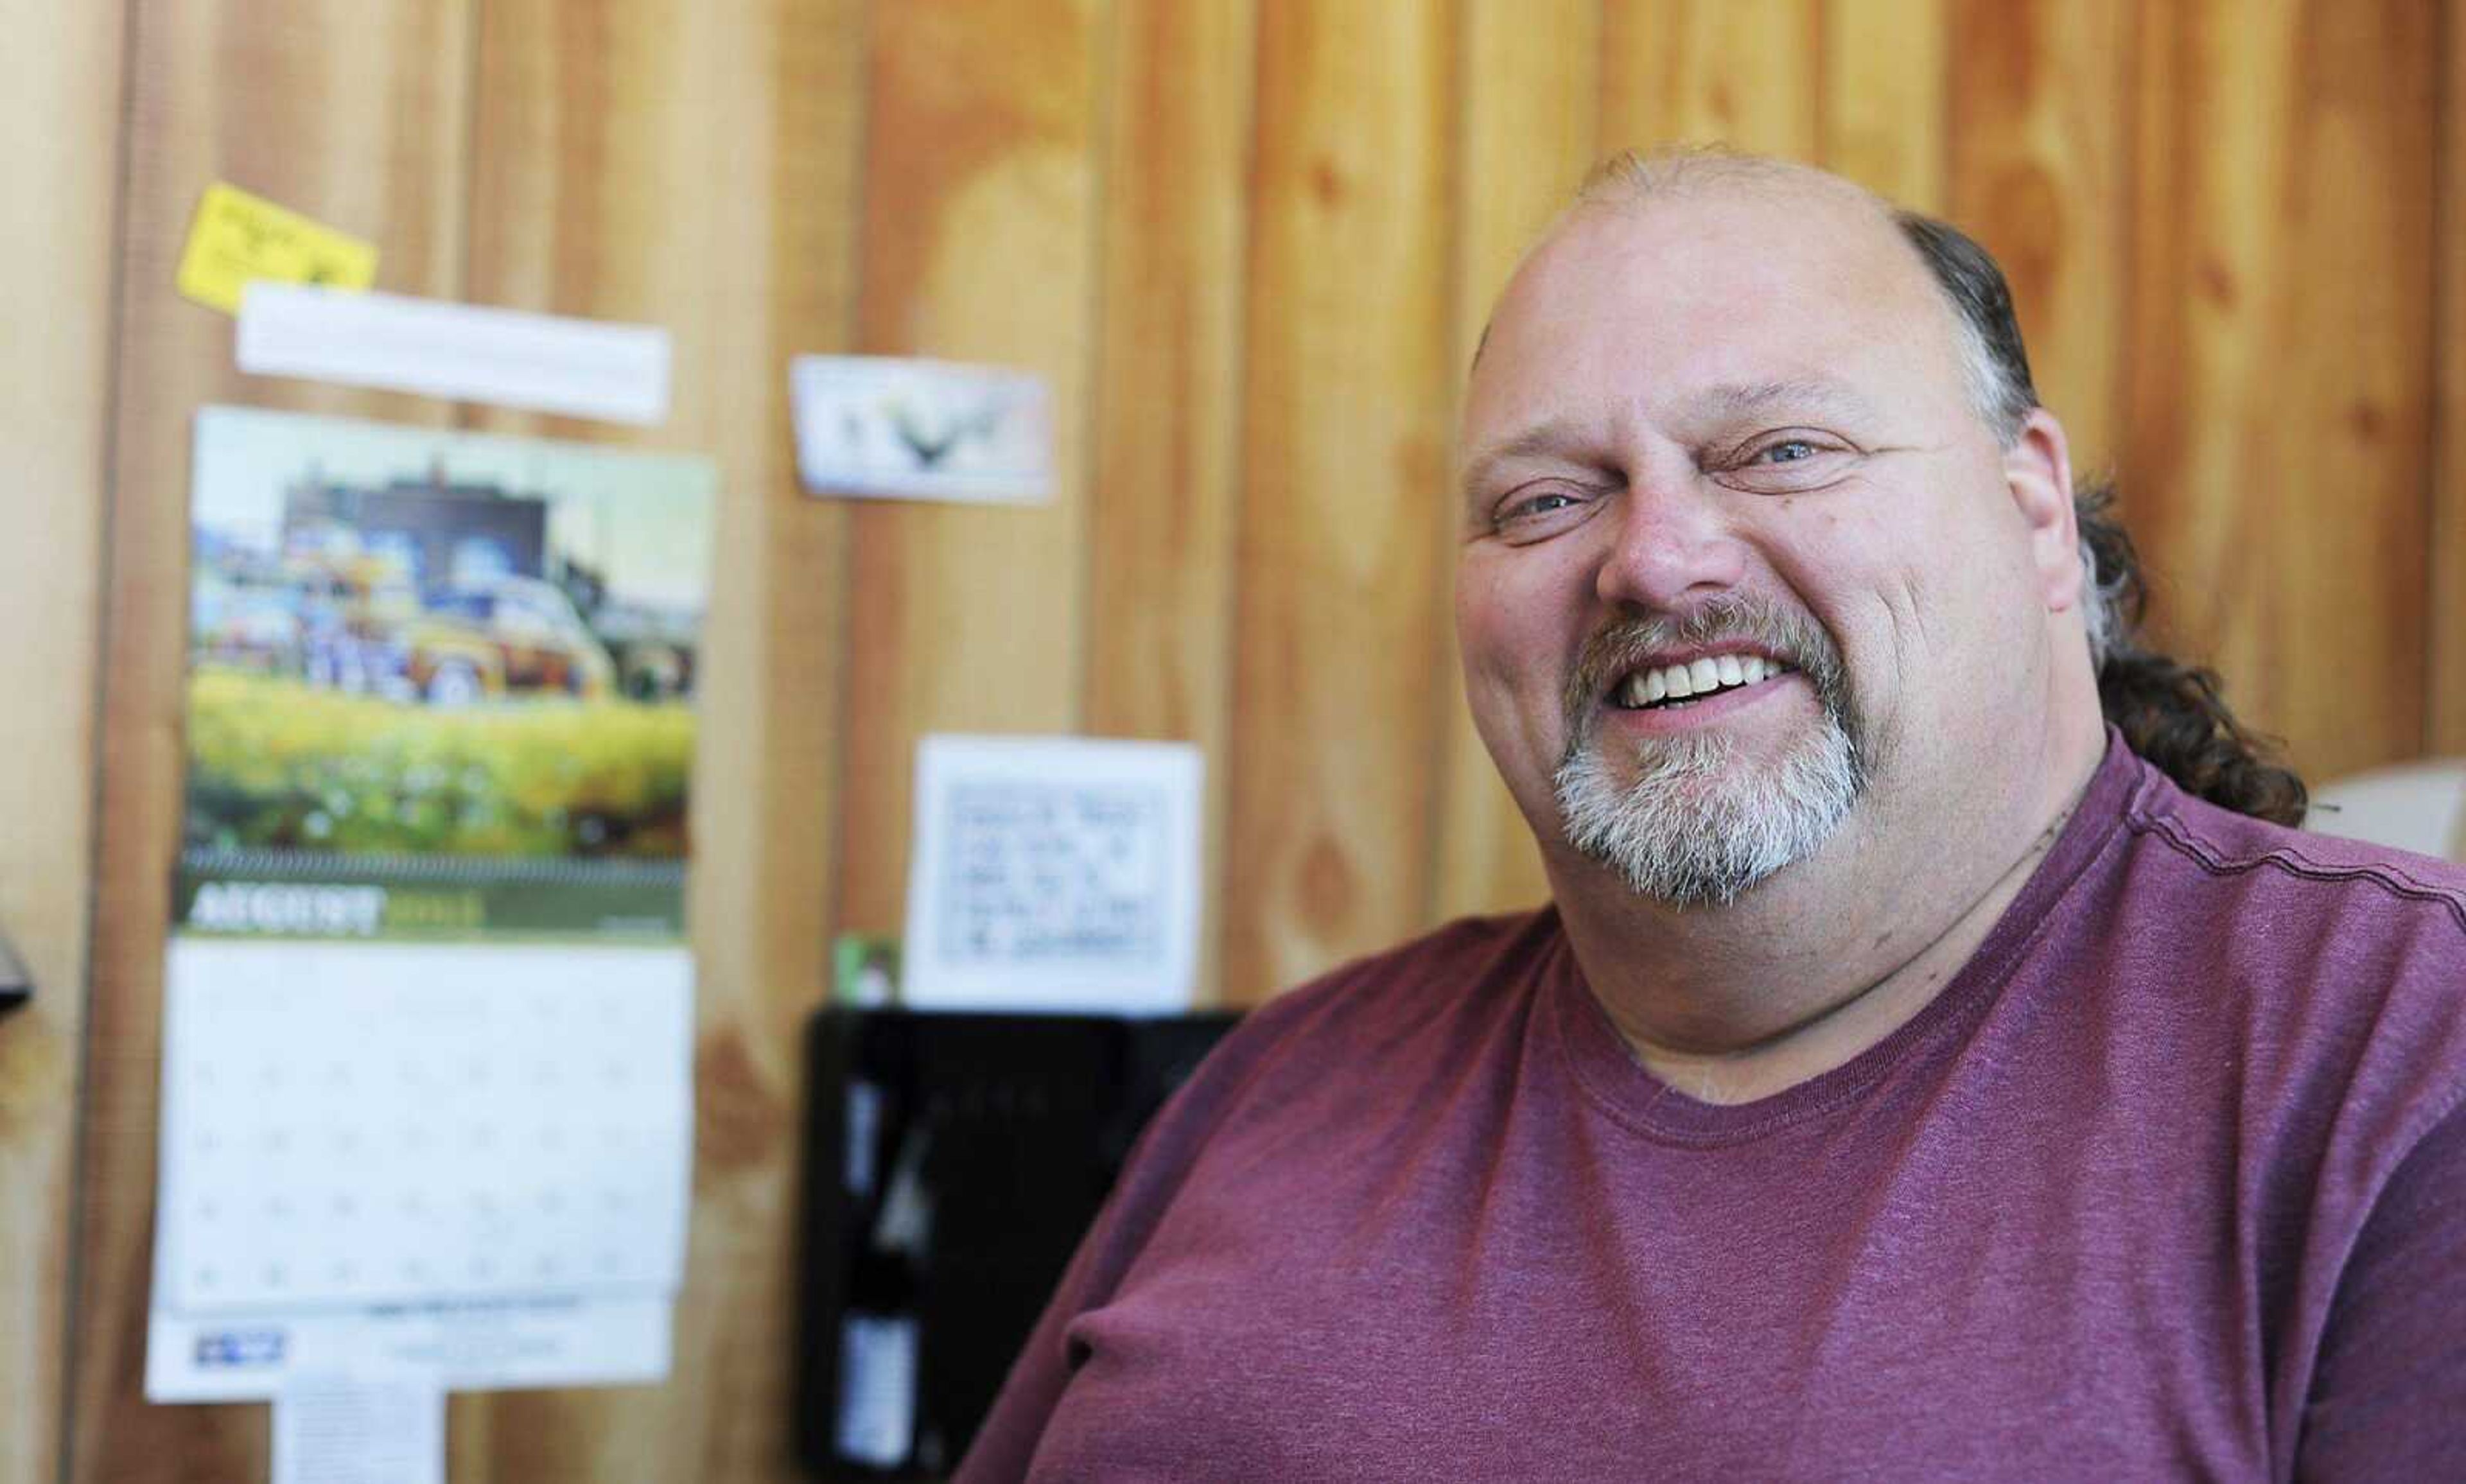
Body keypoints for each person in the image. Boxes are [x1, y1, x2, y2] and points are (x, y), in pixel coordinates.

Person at [954, 149, 2466, 1480]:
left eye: (1780, 451)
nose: (1657, 559)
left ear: (2033, 513)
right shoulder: (1282, 1079)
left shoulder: (2398, 1052)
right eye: (1547, 499)